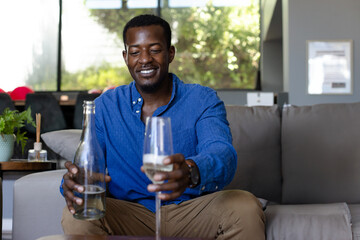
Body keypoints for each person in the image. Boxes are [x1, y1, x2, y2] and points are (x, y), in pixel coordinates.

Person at [61, 14, 265, 239]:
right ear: (125, 57)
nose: (145, 59)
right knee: (75, 215)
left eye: (155, 50)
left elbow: (222, 152)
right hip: (129, 213)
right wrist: (72, 185)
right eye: (135, 52)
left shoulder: (202, 99)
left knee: (244, 206)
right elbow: (88, 167)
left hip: (192, 212)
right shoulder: (105, 106)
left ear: (170, 53)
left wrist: (190, 171)